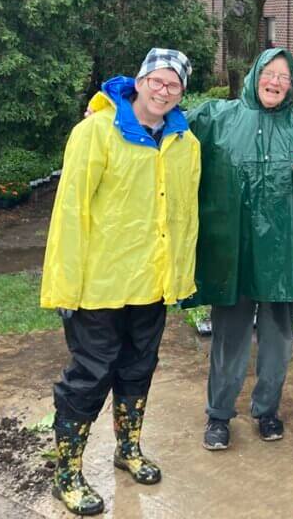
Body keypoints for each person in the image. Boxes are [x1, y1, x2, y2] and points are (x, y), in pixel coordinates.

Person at [41, 49, 200, 516]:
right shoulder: (96, 132)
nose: (164, 90)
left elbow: (184, 216)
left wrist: (179, 277)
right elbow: (70, 212)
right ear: (141, 80)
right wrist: (65, 285)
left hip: (151, 283)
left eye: (174, 85)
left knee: (138, 367)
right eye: (158, 80)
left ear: (181, 92)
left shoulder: (184, 142)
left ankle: (126, 448)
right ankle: (66, 472)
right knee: (89, 375)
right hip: (99, 285)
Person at [188, 47, 293, 450]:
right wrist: (111, 115)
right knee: (229, 338)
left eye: (285, 77)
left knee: (278, 338)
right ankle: (219, 415)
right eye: (270, 73)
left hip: (283, 252)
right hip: (233, 252)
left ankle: (267, 409)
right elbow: (163, 122)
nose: (276, 82)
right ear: (254, 75)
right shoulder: (218, 117)